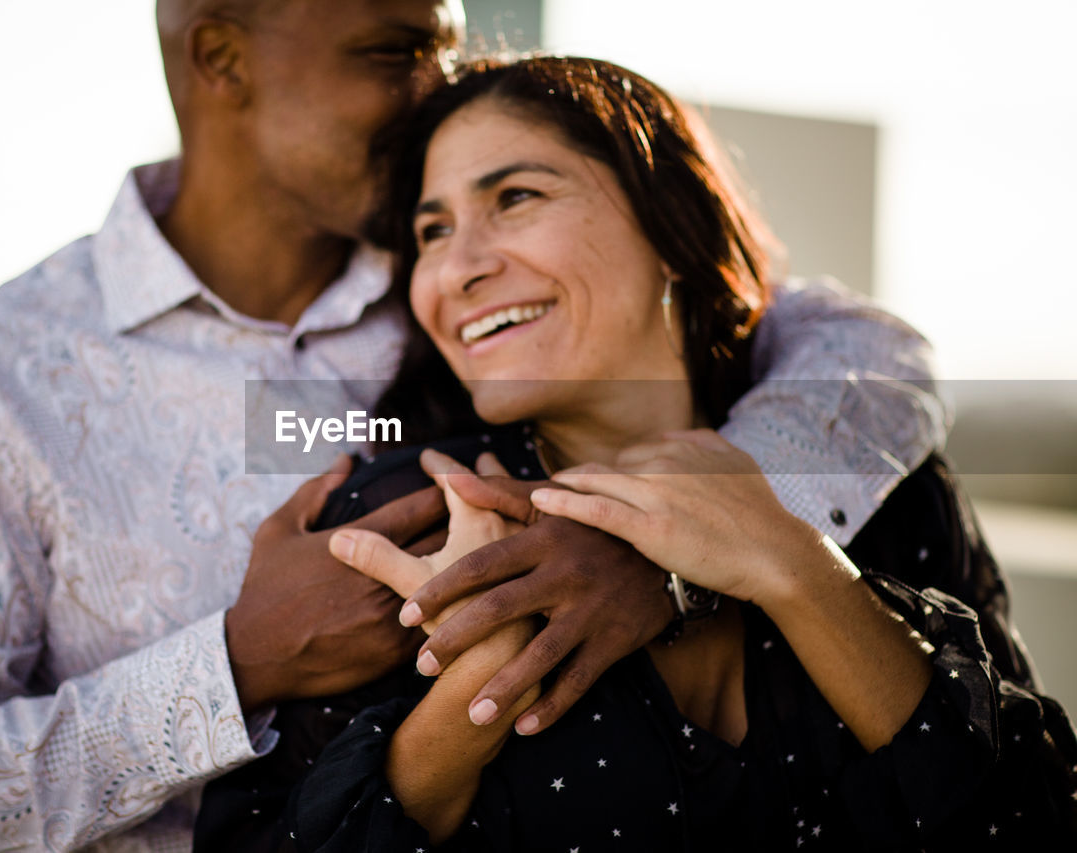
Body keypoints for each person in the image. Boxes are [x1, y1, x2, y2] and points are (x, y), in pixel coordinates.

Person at [0, 3, 957, 850]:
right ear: (222, 56)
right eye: (393, 50)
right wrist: (234, 663)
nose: (440, 81)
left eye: (447, 40)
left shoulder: (482, 288)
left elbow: (865, 355)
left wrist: (665, 554)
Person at [195, 56, 1077, 851]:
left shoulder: (884, 487)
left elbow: (1033, 819)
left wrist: (798, 569)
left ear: (669, 224)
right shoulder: (410, 520)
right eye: (431, 231)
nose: (457, 267)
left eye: (516, 198)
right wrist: (475, 691)